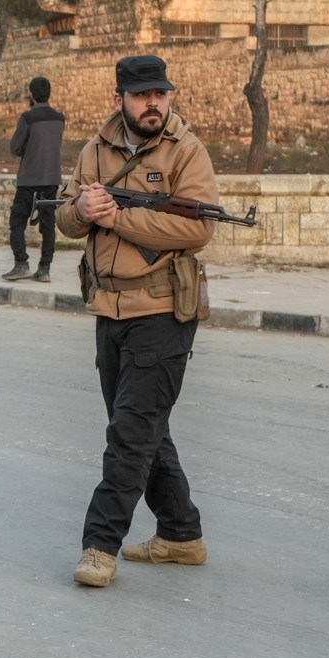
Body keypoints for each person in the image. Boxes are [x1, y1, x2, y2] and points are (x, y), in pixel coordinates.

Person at [54, 54, 219, 589]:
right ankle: (180, 535)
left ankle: (100, 545)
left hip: (163, 311)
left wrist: (115, 216)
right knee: (146, 430)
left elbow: (196, 229)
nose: (154, 103)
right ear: (119, 98)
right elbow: (65, 218)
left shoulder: (186, 151)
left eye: (161, 94)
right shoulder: (93, 151)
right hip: (109, 309)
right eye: (143, 95)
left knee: (130, 434)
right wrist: (82, 211)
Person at [3, 76, 66, 282]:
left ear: (31, 94)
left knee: (17, 221)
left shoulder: (27, 118)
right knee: (48, 225)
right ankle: (44, 269)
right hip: (51, 178)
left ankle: (21, 264)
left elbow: (15, 148)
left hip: (29, 180)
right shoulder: (59, 119)